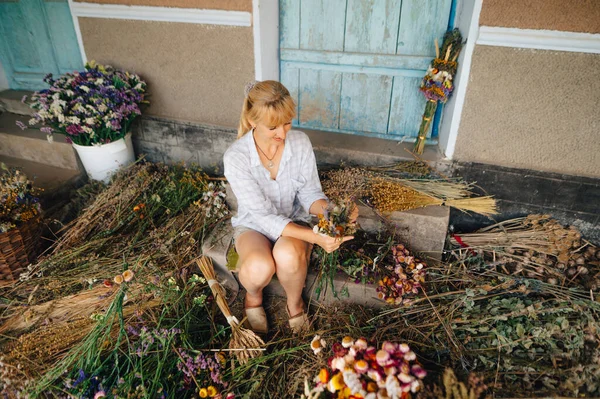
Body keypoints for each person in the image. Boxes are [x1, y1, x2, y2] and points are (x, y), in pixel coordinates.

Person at [223, 80, 356, 334]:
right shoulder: (236, 157)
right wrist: (314, 237)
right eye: (272, 127)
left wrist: (334, 213)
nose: (282, 134)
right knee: (259, 267)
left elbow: (310, 193)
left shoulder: (300, 143)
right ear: (253, 122)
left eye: (287, 123)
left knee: (287, 255)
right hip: (255, 225)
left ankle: (294, 304)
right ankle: (252, 295)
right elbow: (262, 216)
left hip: (293, 218)